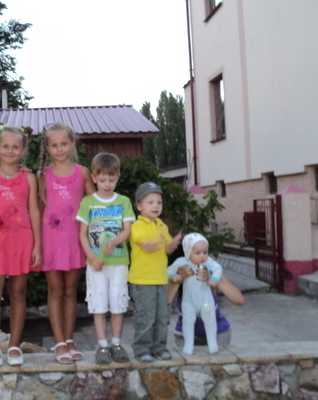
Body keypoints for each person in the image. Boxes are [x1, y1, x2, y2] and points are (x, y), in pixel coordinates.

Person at [0, 124, 41, 367]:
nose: (10, 151)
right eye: (6, 146)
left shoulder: (29, 178)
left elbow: (34, 212)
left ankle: (14, 345)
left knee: (18, 294)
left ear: (23, 150)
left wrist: (37, 245)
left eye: (15, 147)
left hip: (22, 243)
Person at [38, 122, 95, 364]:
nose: (59, 149)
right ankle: (59, 341)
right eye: (54, 145)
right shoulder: (42, 176)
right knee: (56, 290)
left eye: (64, 143)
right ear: (47, 148)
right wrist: (37, 245)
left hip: (74, 240)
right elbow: (38, 210)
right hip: (51, 241)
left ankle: (70, 339)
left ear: (73, 144)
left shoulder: (83, 173)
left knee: (71, 291)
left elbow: (94, 205)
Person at [76, 152, 135, 365]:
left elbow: (127, 230)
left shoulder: (124, 201)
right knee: (98, 305)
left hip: (119, 263)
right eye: (102, 180)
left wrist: (113, 242)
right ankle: (102, 346)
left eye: (112, 179)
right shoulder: (87, 202)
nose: (107, 184)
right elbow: (82, 234)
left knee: (118, 305)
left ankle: (116, 344)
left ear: (118, 176)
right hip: (95, 266)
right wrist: (91, 258)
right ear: (94, 177)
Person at [128, 182, 182, 362]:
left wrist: (173, 244)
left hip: (160, 279)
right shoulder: (137, 225)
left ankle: (159, 347)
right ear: (139, 206)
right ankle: (142, 348)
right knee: (146, 316)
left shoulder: (162, 226)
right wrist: (162, 243)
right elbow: (147, 247)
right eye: (150, 202)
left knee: (162, 316)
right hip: (142, 280)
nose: (155, 206)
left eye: (159, 202)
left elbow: (166, 250)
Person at [168, 233, 223, 355]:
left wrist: (214, 279)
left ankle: (212, 343)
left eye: (205, 252)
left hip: (206, 299)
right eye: (197, 253)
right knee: (188, 321)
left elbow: (218, 268)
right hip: (189, 301)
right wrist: (174, 276)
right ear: (188, 252)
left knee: (210, 319)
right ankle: (188, 344)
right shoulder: (182, 262)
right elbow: (169, 270)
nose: (202, 256)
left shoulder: (208, 262)